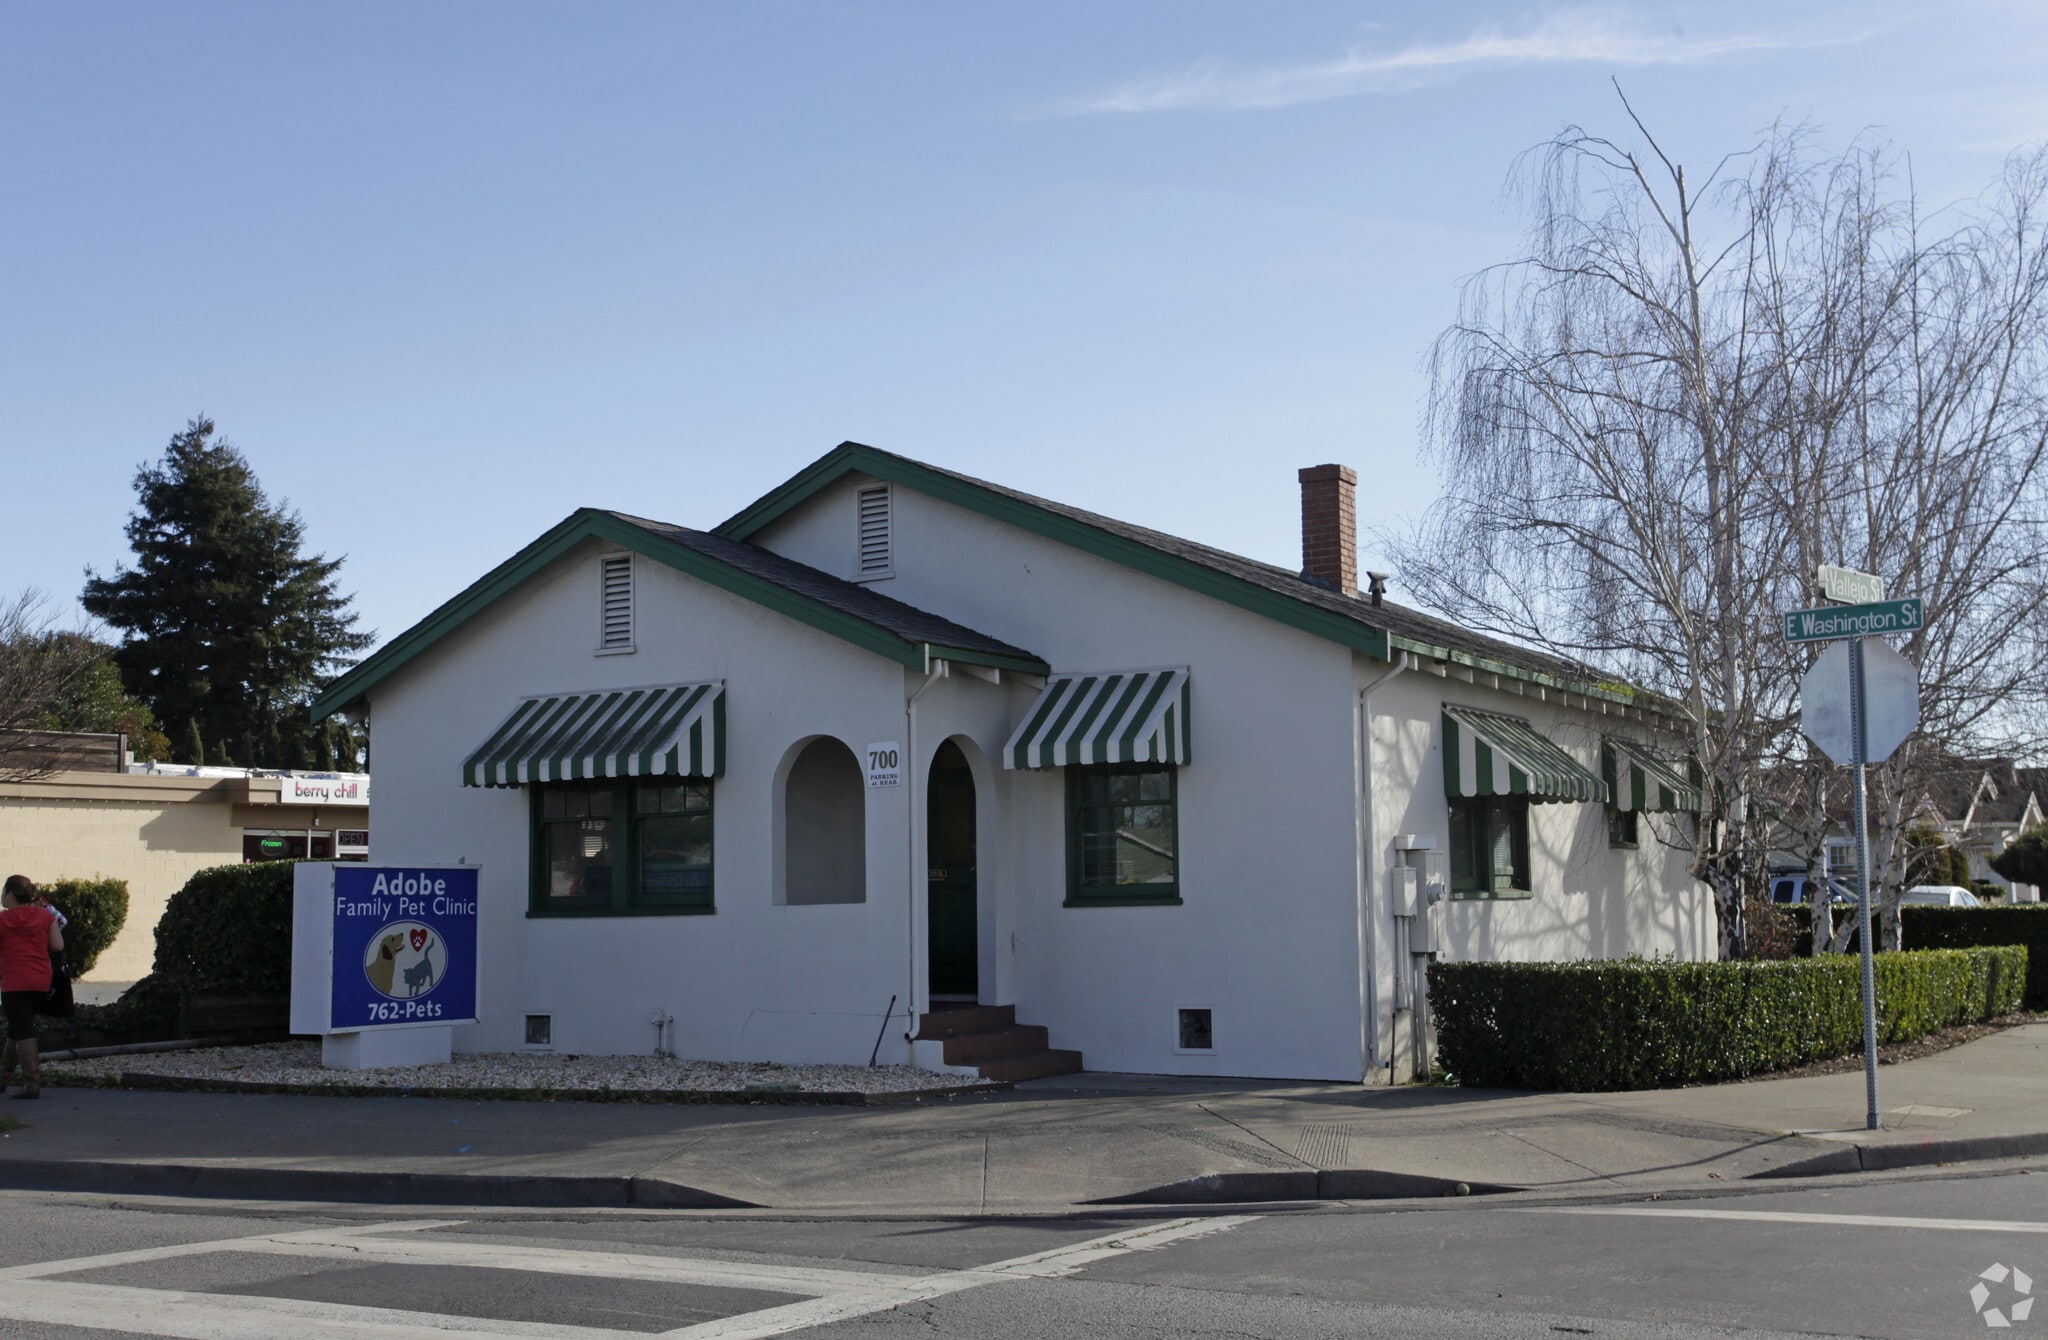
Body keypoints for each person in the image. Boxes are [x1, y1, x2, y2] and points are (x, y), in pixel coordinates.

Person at [0, 876, 64, 1099]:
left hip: (14, 982)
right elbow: (57, 945)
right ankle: (3, 1078)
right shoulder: (46, 916)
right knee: (17, 1028)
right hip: (40, 981)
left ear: (10, 895)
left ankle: (32, 1083)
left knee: (23, 1029)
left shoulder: (2, 920)